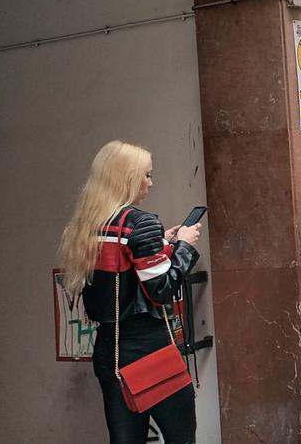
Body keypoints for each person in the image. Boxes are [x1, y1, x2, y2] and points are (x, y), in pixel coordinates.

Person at [59, 140, 201, 444]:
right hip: (149, 351)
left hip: (110, 352)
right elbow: (161, 290)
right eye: (146, 175)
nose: (150, 182)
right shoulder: (141, 223)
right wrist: (185, 247)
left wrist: (160, 241)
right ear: (127, 178)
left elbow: (120, 266)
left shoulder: (89, 226)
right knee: (182, 437)